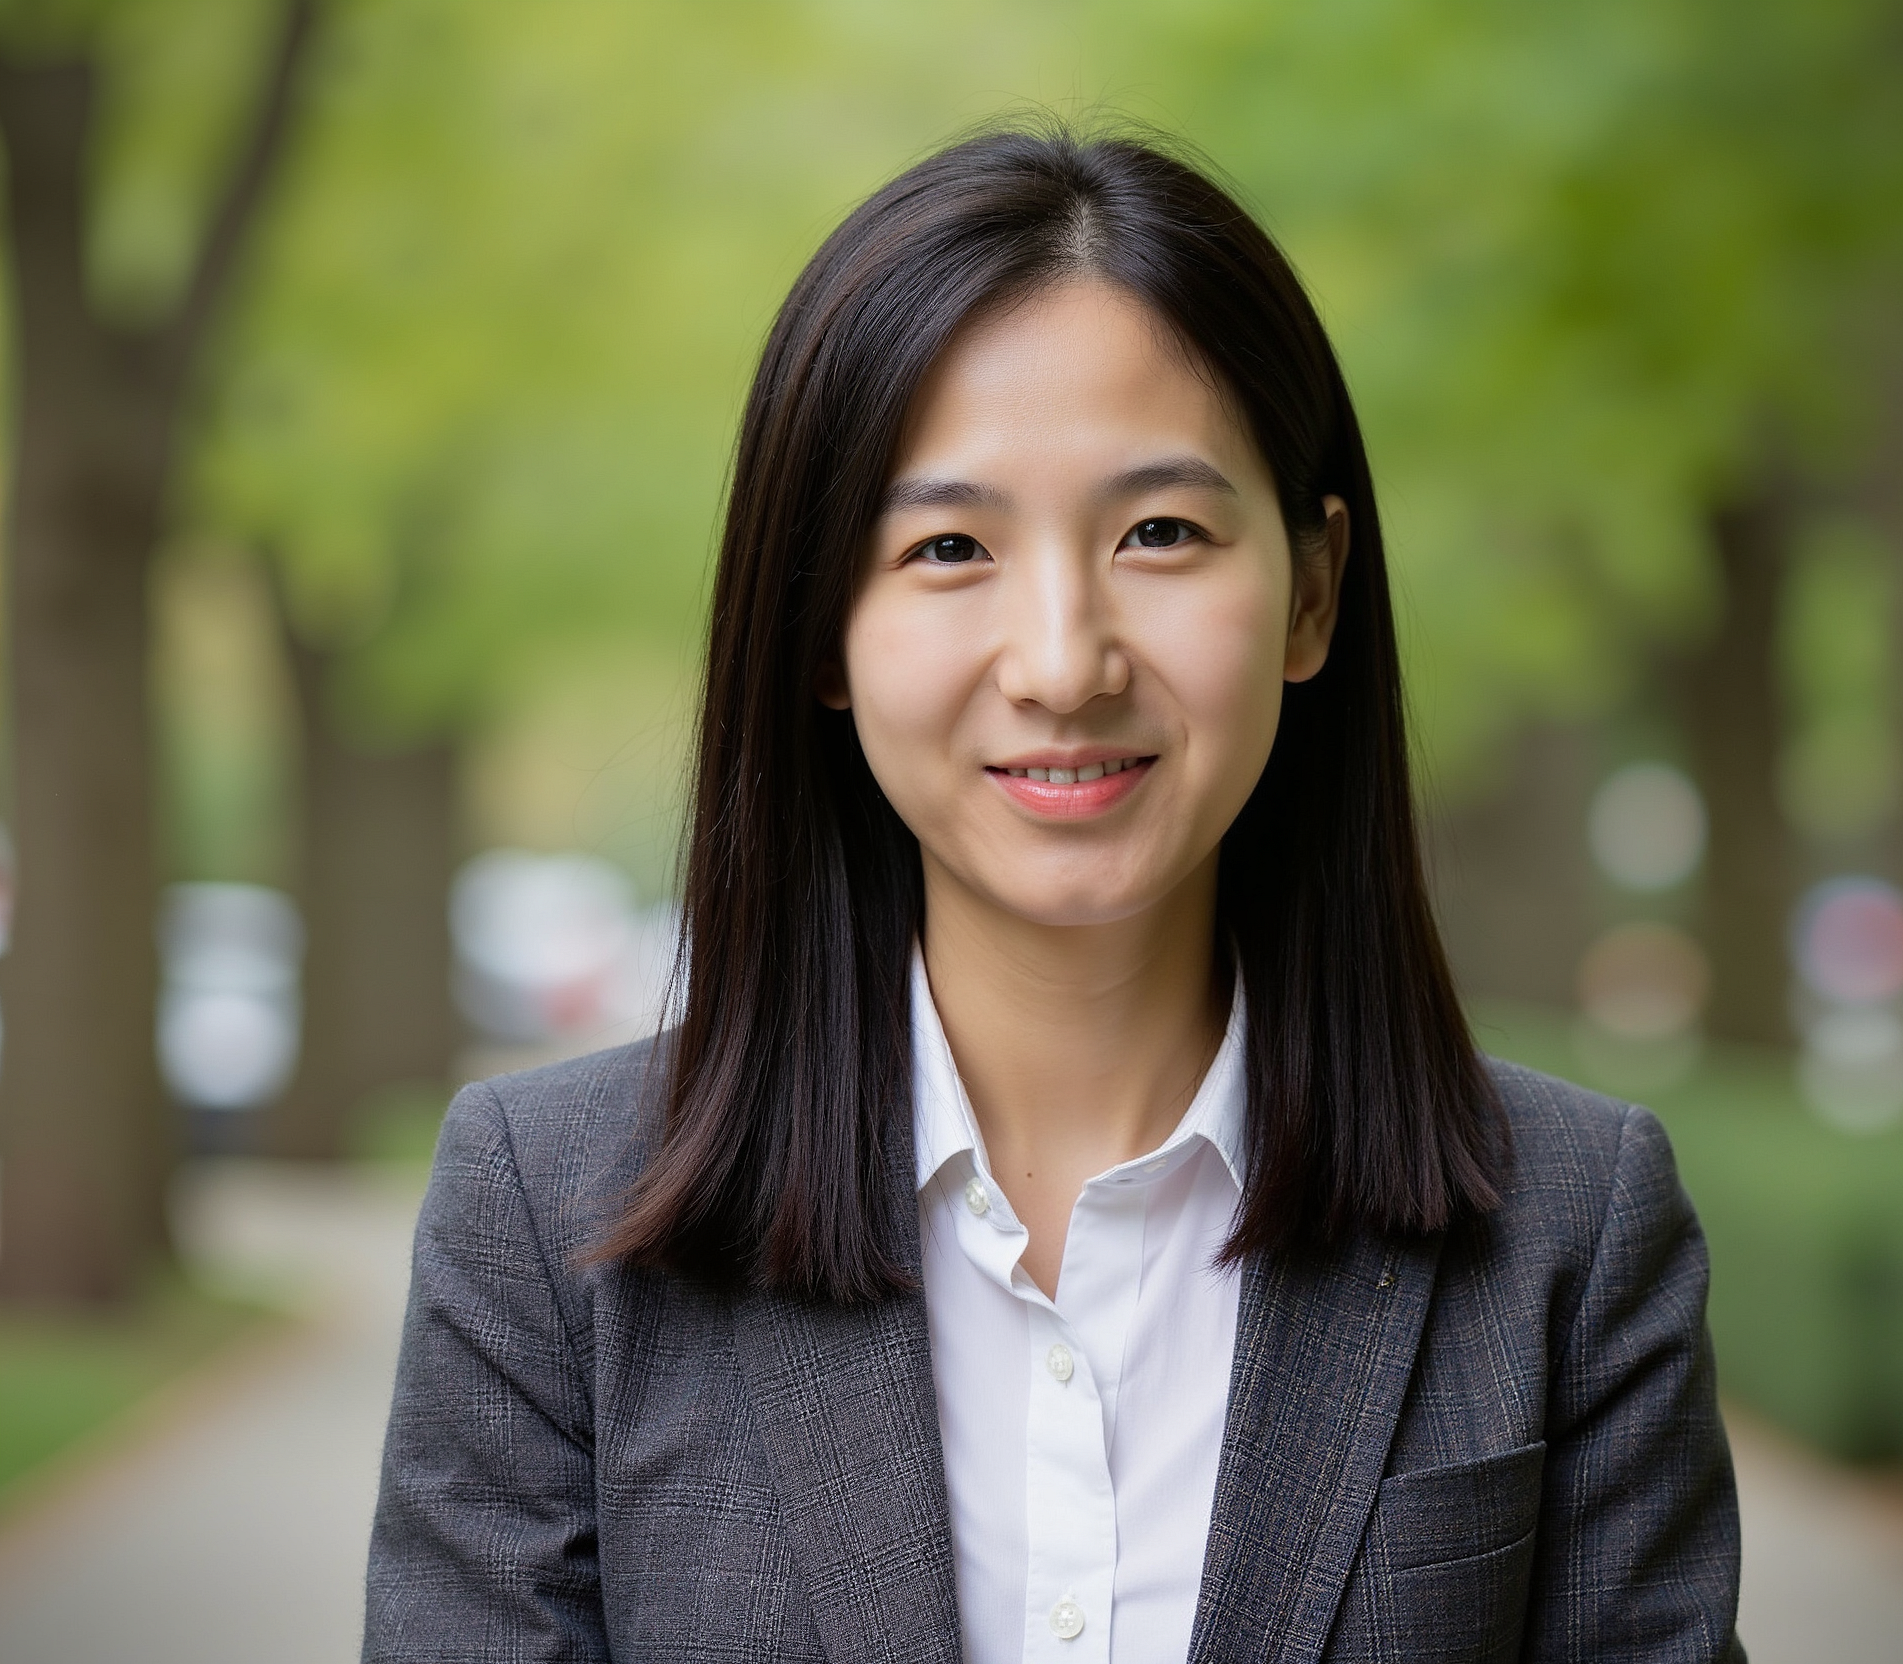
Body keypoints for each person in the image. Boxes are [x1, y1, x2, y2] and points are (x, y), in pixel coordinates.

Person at [364, 126, 1743, 1664]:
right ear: (821, 631)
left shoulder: (1569, 1229)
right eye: (950, 546)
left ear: (1311, 590)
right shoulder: (549, 1222)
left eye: (1160, 533)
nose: (1065, 662)